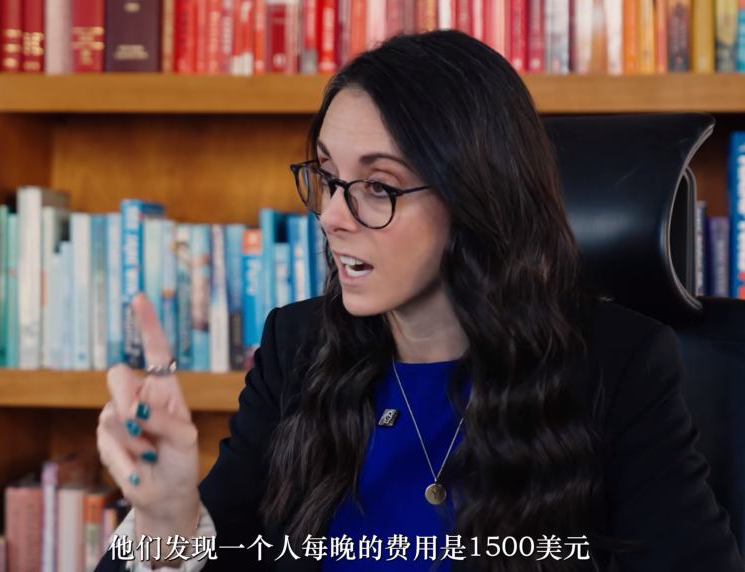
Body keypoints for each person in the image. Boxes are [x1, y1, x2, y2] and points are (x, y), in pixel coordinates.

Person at [94, 30, 745, 572]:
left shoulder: (618, 363)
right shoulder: (298, 350)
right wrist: (165, 519)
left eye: (378, 187)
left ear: (476, 200)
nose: (332, 217)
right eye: (328, 176)